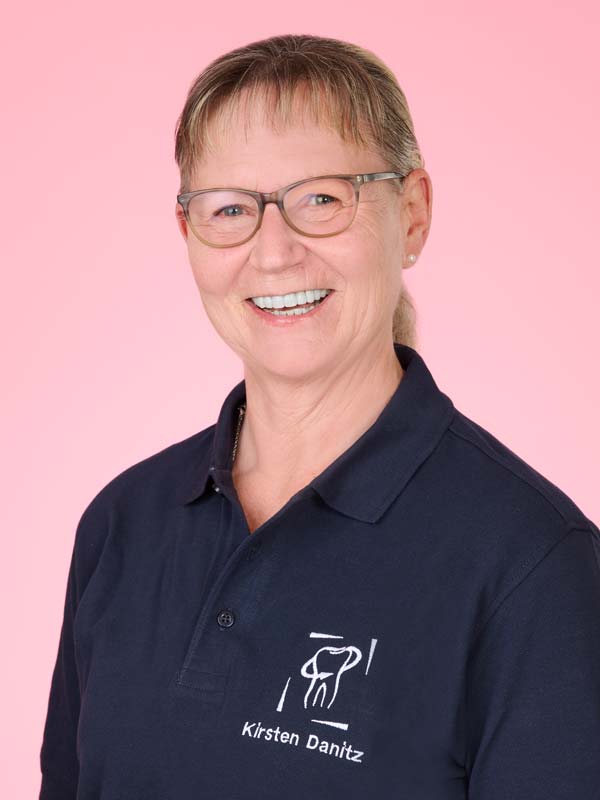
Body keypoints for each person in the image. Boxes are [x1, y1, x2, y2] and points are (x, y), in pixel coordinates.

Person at [39, 33, 600, 800]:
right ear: (189, 235)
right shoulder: (121, 525)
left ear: (412, 214)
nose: (274, 252)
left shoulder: (536, 566)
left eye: (322, 200)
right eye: (231, 208)